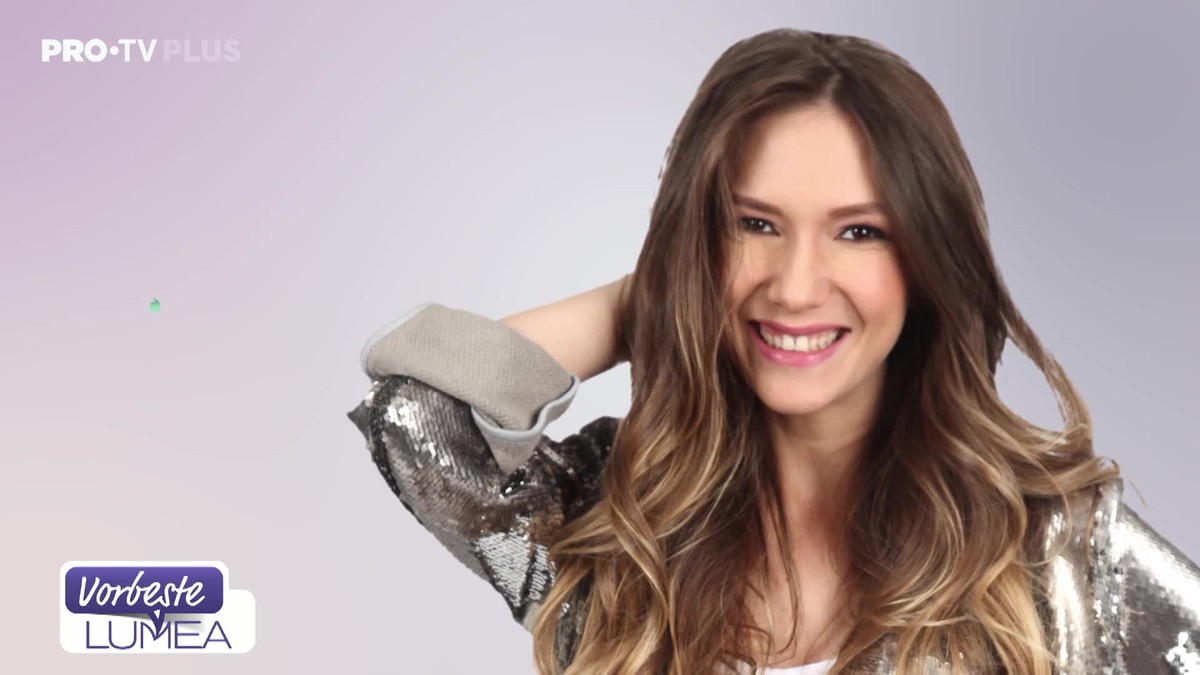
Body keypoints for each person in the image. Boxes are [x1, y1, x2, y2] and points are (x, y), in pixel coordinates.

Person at [346, 28, 1200, 675]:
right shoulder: (618, 522)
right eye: (754, 224)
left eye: (859, 232)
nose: (795, 287)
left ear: (926, 264)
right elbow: (415, 415)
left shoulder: (1049, 546)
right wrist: (654, 296)